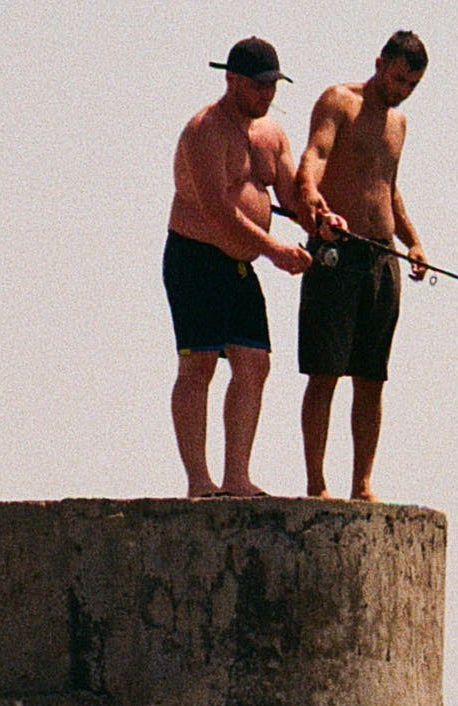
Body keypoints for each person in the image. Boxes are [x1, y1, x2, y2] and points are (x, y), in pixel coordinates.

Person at [165, 38, 334, 499]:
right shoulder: (204, 131)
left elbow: (289, 195)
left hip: (240, 263)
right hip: (195, 257)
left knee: (254, 363)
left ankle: (236, 477)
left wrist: (319, 217)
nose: (267, 95)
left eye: (273, 86)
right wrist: (275, 251)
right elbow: (220, 211)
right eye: (259, 86)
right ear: (232, 80)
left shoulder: (271, 134)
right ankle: (200, 482)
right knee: (198, 365)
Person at [293, 30, 431, 500]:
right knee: (325, 370)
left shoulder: (400, 124)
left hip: (381, 255)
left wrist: (413, 243)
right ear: (379, 63)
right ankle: (317, 482)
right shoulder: (340, 101)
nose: (400, 90)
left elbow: (388, 189)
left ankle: (363, 482)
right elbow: (316, 154)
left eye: (410, 85)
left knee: (372, 377)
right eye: (396, 79)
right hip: (337, 248)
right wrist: (310, 193)